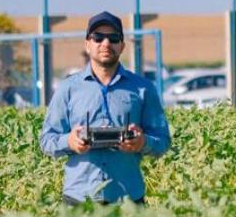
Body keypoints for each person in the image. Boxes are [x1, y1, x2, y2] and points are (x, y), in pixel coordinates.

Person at [39, 12, 171, 205]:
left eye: (114, 38)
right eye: (98, 37)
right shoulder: (68, 88)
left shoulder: (143, 88)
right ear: (87, 44)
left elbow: (163, 141)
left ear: (122, 46)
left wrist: (142, 142)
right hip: (79, 200)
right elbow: (46, 140)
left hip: (128, 201)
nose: (106, 43)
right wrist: (70, 141)